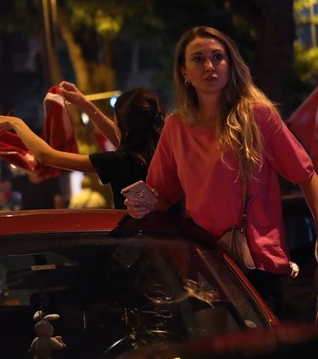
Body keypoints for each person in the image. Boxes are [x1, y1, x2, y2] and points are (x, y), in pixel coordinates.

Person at [125, 26, 318, 317]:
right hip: (206, 263)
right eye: (198, 59)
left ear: (231, 65)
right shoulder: (176, 127)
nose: (210, 66)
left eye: (218, 57)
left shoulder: (257, 115)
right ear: (184, 72)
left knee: (260, 355)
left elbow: (305, 174)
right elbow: (162, 195)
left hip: (258, 263)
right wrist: (142, 205)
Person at [0, 82, 165, 209]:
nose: (113, 125)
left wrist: (17, 124)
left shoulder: (119, 162)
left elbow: (46, 156)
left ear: (123, 128)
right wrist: (83, 103)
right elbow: (121, 136)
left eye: (115, 122)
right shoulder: (160, 149)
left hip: (137, 242)